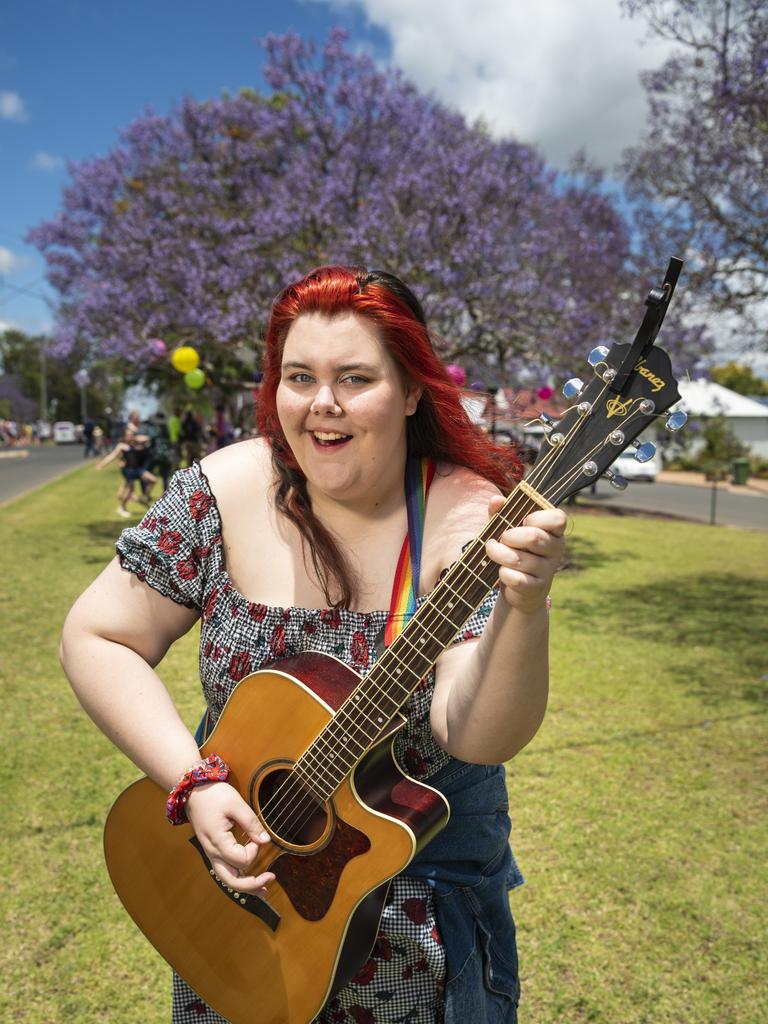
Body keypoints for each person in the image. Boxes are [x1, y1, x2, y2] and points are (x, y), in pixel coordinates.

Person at [60, 266, 565, 1024]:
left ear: (414, 391)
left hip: (414, 936)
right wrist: (192, 782)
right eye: (300, 377)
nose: (321, 404)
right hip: (240, 902)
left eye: (355, 378)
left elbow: (476, 734)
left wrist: (524, 608)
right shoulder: (221, 490)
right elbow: (97, 635)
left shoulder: (466, 515)